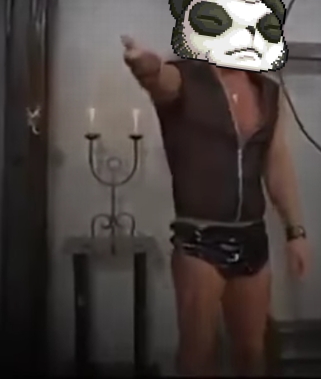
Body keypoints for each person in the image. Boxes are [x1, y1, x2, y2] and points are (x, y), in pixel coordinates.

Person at [121, 34, 310, 376]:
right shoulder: (186, 78)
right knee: (198, 351)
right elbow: (160, 80)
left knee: (252, 350)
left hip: (252, 237)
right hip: (200, 238)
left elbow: (277, 164)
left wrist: (295, 231)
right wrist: (144, 67)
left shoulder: (268, 92)